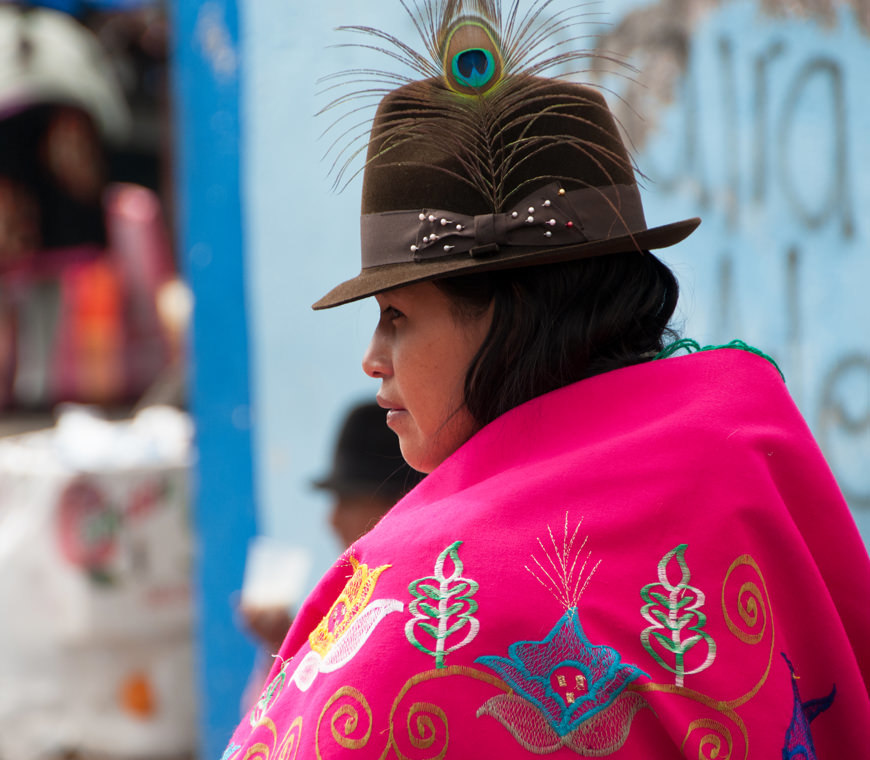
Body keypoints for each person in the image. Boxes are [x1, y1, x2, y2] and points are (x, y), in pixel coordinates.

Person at [224, 2, 870, 757]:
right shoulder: (745, 447)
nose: (373, 356)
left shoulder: (422, 596)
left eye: (397, 315)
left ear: (510, 314)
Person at [239, 401, 421, 701]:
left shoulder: (414, 612)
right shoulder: (356, 603)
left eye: (348, 500)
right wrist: (283, 644)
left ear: (398, 503)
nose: (332, 520)